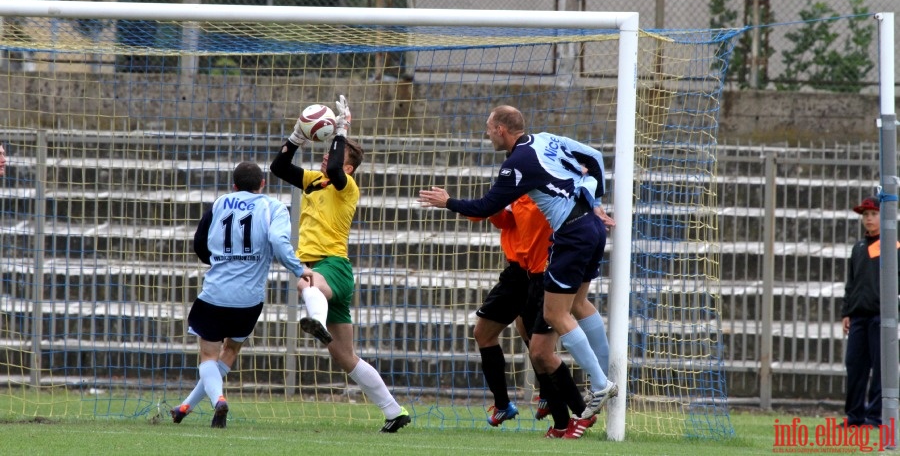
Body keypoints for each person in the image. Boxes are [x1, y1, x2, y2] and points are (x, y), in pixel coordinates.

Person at [419, 105, 618, 420]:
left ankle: (599, 383)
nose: (487, 134)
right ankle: (604, 378)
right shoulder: (545, 140)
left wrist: (448, 202)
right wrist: (596, 202)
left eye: (488, 128)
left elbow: (487, 206)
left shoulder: (516, 165)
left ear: (500, 129)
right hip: (590, 228)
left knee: (556, 314)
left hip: (571, 235)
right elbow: (594, 157)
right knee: (579, 303)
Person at [269, 94, 411, 434]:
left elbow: (334, 166)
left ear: (348, 167)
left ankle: (314, 319)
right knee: (346, 357)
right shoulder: (313, 181)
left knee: (306, 281)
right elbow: (278, 168)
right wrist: (296, 137)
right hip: (330, 272)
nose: (325, 157)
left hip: (331, 265)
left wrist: (342, 129)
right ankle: (394, 412)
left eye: (334, 153)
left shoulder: (346, 187)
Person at [171, 161, 312, 428]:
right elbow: (280, 243)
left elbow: (200, 244)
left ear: (234, 186)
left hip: (215, 294)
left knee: (208, 357)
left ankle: (218, 400)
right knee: (230, 351)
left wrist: (219, 262)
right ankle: (185, 407)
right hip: (249, 300)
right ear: (263, 184)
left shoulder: (220, 203)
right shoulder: (274, 207)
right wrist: (298, 268)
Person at [473, 193, 613, 439]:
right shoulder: (518, 176)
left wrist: (595, 205)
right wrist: (484, 207)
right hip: (520, 272)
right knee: (499, 334)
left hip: (545, 274)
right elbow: (505, 217)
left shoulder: (551, 178)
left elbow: (588, 175)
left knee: (541, 349)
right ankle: (530, 409)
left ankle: (580, 410)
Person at [841, 195, 898, 428]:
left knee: (880, 368)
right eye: (865, 215)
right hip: (858, 317)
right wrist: (847, 312)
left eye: (873, 214)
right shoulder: (859, 247)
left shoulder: (892, 246)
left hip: (881, 317)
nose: (869, 219)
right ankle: (854, 417)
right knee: (854, 366)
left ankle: (874, 417)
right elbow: (851, 283)